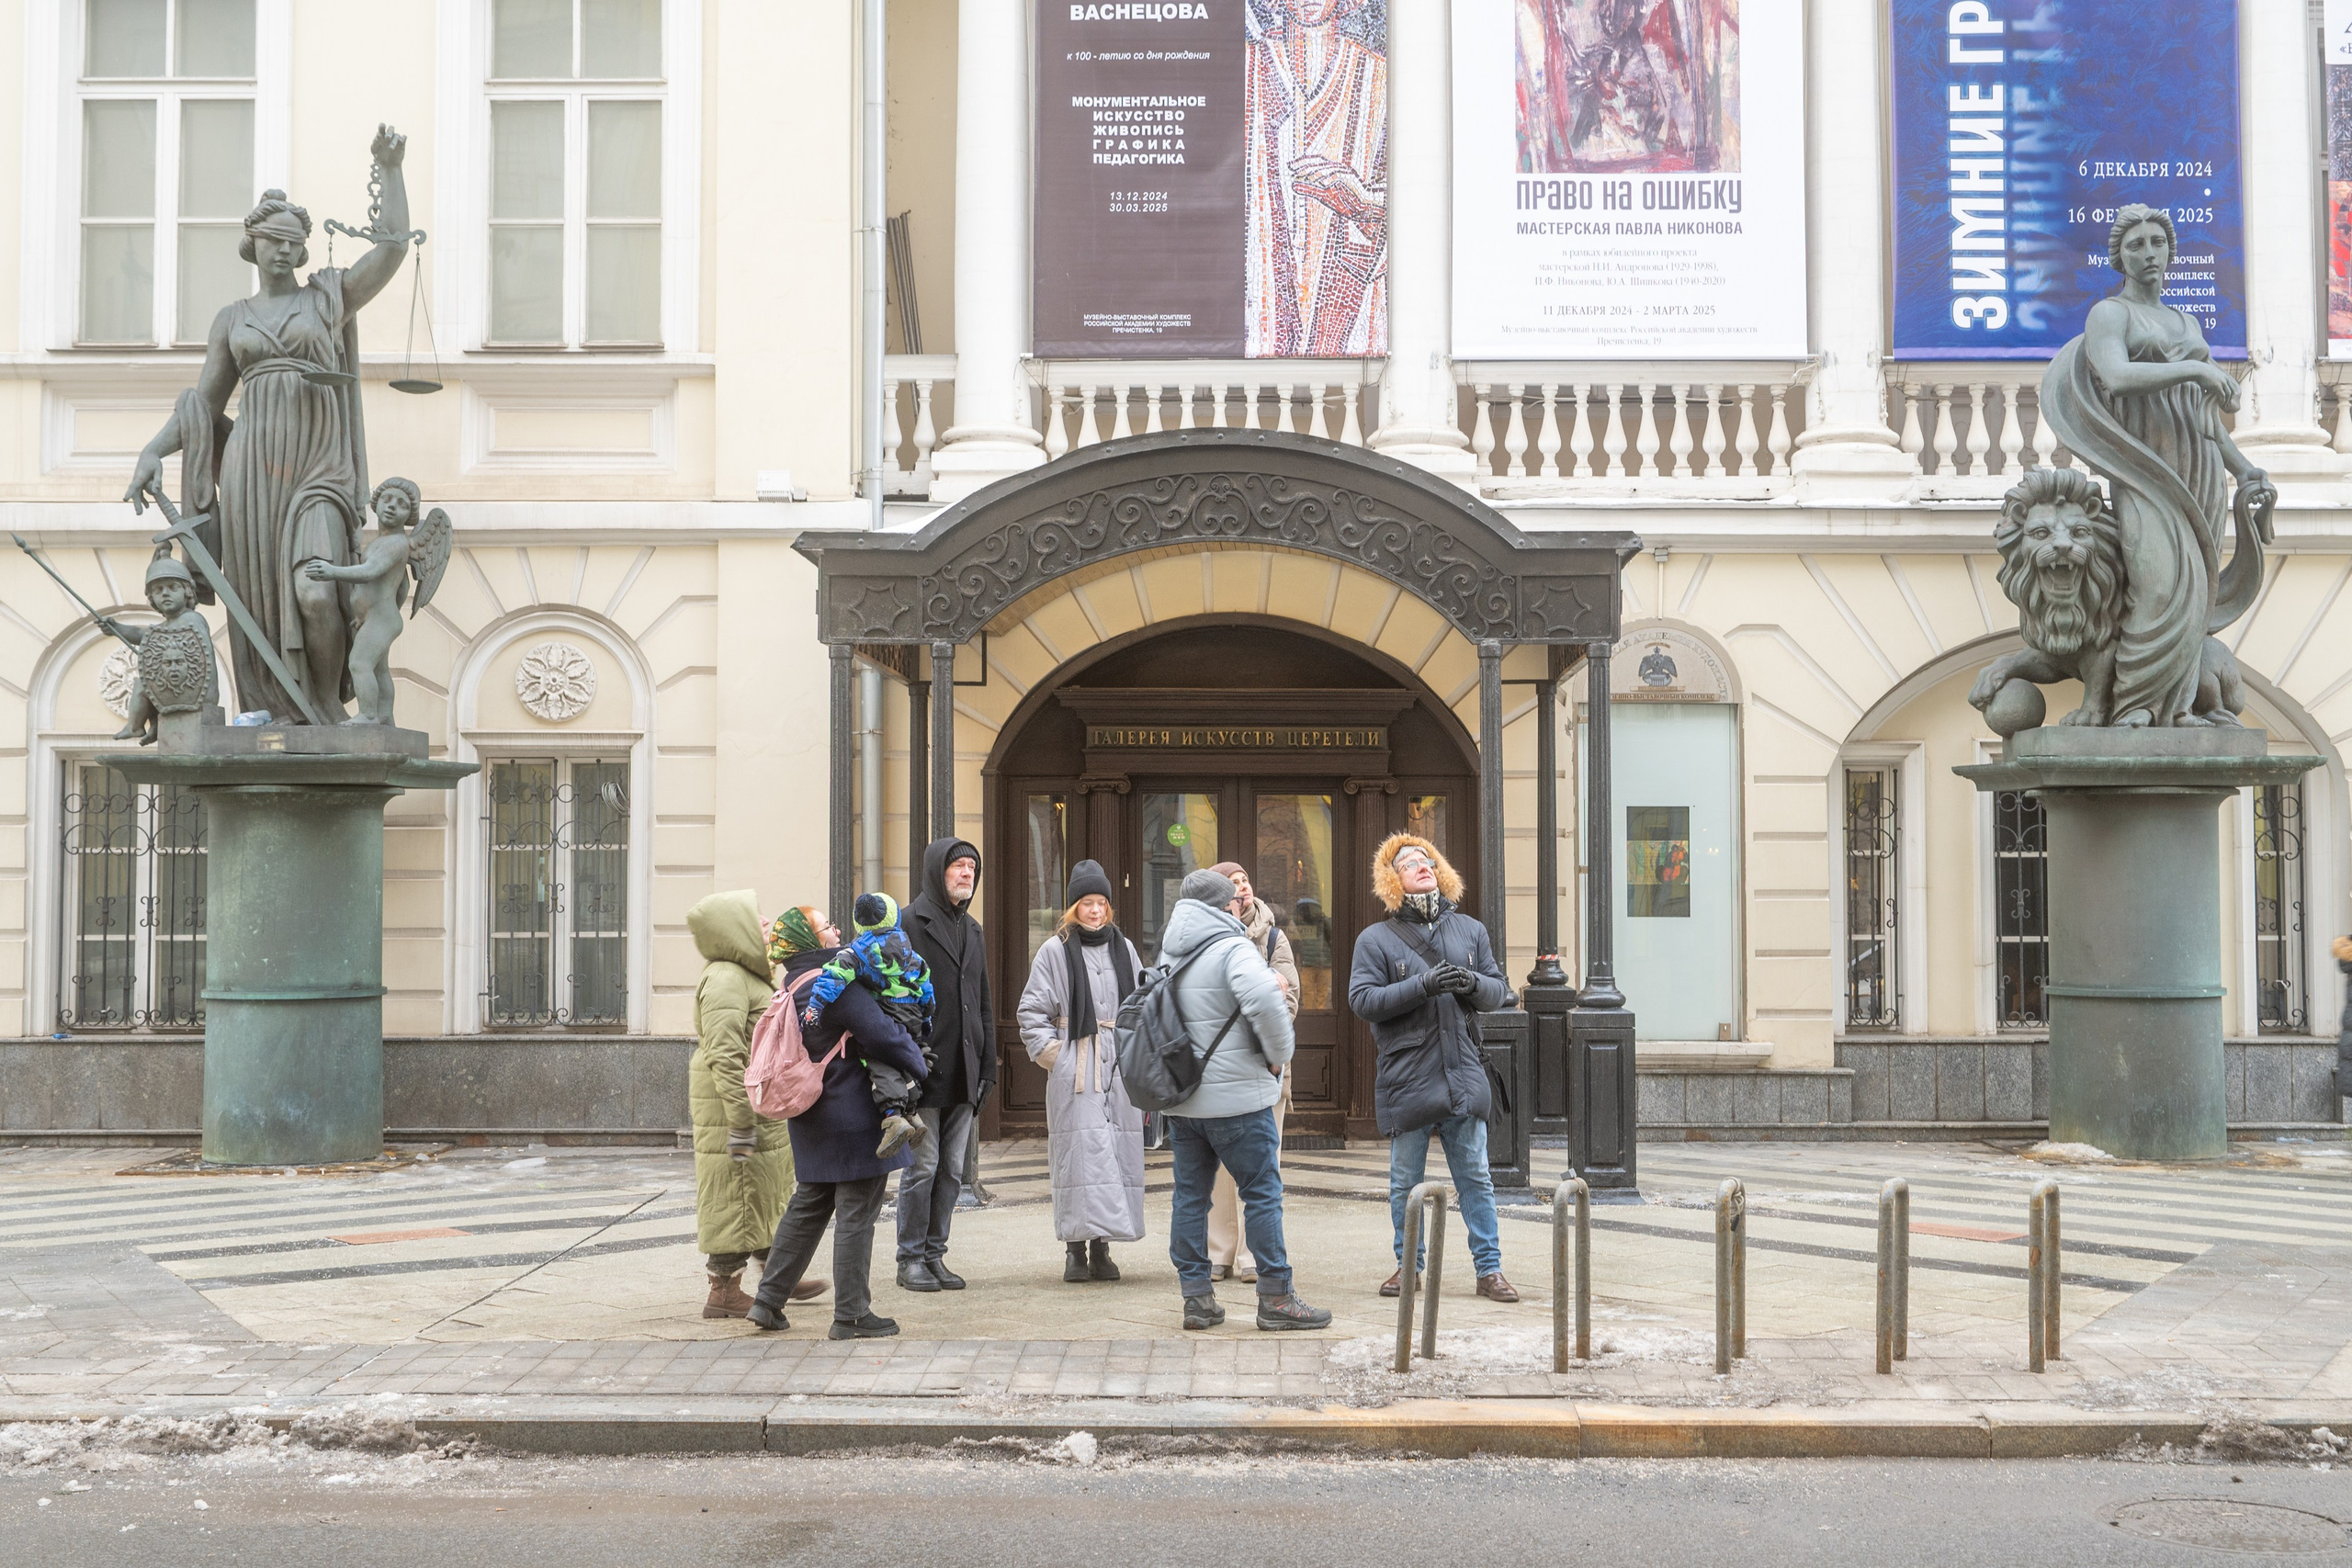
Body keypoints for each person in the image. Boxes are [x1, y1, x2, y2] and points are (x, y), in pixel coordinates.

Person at [125, 128, 418, 724]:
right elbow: (203, 405)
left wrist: (390, 172)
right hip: (253, 471)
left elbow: (391, 251)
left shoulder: (328, 298)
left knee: (314, 591)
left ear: (305, 250)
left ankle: (326, 708)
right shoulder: (233, 319)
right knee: (258, 598)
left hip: (319, 466)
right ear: (252, 246)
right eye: (272, 241)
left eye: (293, 243)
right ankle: (273, 708)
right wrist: (153, 451)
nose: (283, 251)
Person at [2040, 203, 2274, 728]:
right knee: (2156, 585)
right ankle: (2135, 706)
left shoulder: (2186, 321)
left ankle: (2179, 708)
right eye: (2136, 245)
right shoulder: (2110, 315)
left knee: (2195, 592)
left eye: (2157, 243)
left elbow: (2205, 415)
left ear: (2170, 251)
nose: (2149, 253)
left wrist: (2241, 467)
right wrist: (2195, 368)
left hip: (2200, 469)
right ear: (2119, 258)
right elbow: (2118, 377)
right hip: (2144, 469)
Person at [1348, 833, 1521, 1303]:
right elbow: (1363, 1000)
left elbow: (1499, 992)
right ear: (1392, 880)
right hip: (1407, 1076)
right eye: (1409, 863)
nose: (1422, 866)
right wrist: (1423, 984)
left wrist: (1470, 982)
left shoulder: (1470, 930)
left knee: (1476, 1177)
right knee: (1405, 1182)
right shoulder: (1375, 939)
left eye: (1427, 860)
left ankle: (1489, 1271)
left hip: (1463, 1070)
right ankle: (1409, 1268)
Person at [746, 906, 931, 1337]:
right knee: (857, 1212)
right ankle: (851, 1315)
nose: (836, 930)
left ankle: (768, 1302)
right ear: (811, 940)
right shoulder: (834, 982)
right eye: (825, 925)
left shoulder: (792, 985)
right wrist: (919, 1062)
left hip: (811, 1116)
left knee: (808, 1206)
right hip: (853, 1116)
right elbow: (880, 1032)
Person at [1159, 867, 1331, 1332]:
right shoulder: (1232, 947)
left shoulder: (1169, 951)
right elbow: (1269, 1007)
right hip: (1238, 1101)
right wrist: (1277, 1059)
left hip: (1184, 1102)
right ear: (1226, 905)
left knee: (1190, 1198)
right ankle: (1275, 1296)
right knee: (1262, 1194)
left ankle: (1196, 1299)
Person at [685, 891, 822, 1320]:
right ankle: (723, 1291)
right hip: (733, 1107)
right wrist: (741, 1121)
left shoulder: (746, 974)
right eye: (757, 920)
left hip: (754, 1100)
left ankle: (778, 1273)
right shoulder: (726, 978)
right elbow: (724, 1053)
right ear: (734, 929)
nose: (767, 926)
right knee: (736, 1192)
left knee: (762, 1188)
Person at [1016, 860, 1147, 1282]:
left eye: (1101, 903)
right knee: (1080, 1157)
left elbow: (1142, 1002)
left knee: (1114, 1155)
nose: (1095, 910)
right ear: (1073, 907)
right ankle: (1075, 1250)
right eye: (1087, 903)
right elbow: (1031, 1013)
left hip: (1120, 1064)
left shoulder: (1124, 948)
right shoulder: (1054, 951)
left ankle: (1102, 1248)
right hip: (1079, 1065)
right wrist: (1060, 1057)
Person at [898, 838, 996, 1292]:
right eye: (958, 866)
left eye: (972, 868)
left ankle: (935, 1254)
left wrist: (988, 1066)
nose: (966, 874)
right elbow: (891, 997)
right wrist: (905, 1058)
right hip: (923, 1069)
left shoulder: (973, 929)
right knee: (923, 1167)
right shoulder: (907, 923)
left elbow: (983, 1003)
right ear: (937, 871)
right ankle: (910, 1259)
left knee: (953, 1170)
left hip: (965, 1069)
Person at [1203, 861, 1298, 1283]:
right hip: (1219, 1073)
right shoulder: (1204, 939)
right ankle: (1219, 1253)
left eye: (1245, 881)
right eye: (1232, 883)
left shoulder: (1274, 937)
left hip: (1264, 1068)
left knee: (1262, 1164)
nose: (1242, 888)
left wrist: (1254, 1037)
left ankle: (1253, 1256)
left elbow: (1289, 1001)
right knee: (1220, 1168)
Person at [803, 891, 934, 1158]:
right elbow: (926, 986)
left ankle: (893, 1118)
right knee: (904, 1058)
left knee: (879, 1061)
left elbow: (834, 976)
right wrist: (926, 1019)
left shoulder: (857, 951)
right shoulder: (910, 950)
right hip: (912, 1013)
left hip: (885, 1010)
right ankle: (913, 1114)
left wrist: (815, 1007)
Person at [100, 555, 218, 744]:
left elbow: (147, 636)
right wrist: (117, 628)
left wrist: (119, 629)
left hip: (197, 696)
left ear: (187, 591)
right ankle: (153, 726)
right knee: (151, 682)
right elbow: (143, 634)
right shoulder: (168, 626)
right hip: (180, 692)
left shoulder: (191, 620)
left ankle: (135, 727)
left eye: (172, 587)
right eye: (158, 590)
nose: (165, 593)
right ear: (152, 598)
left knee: (145, 684)